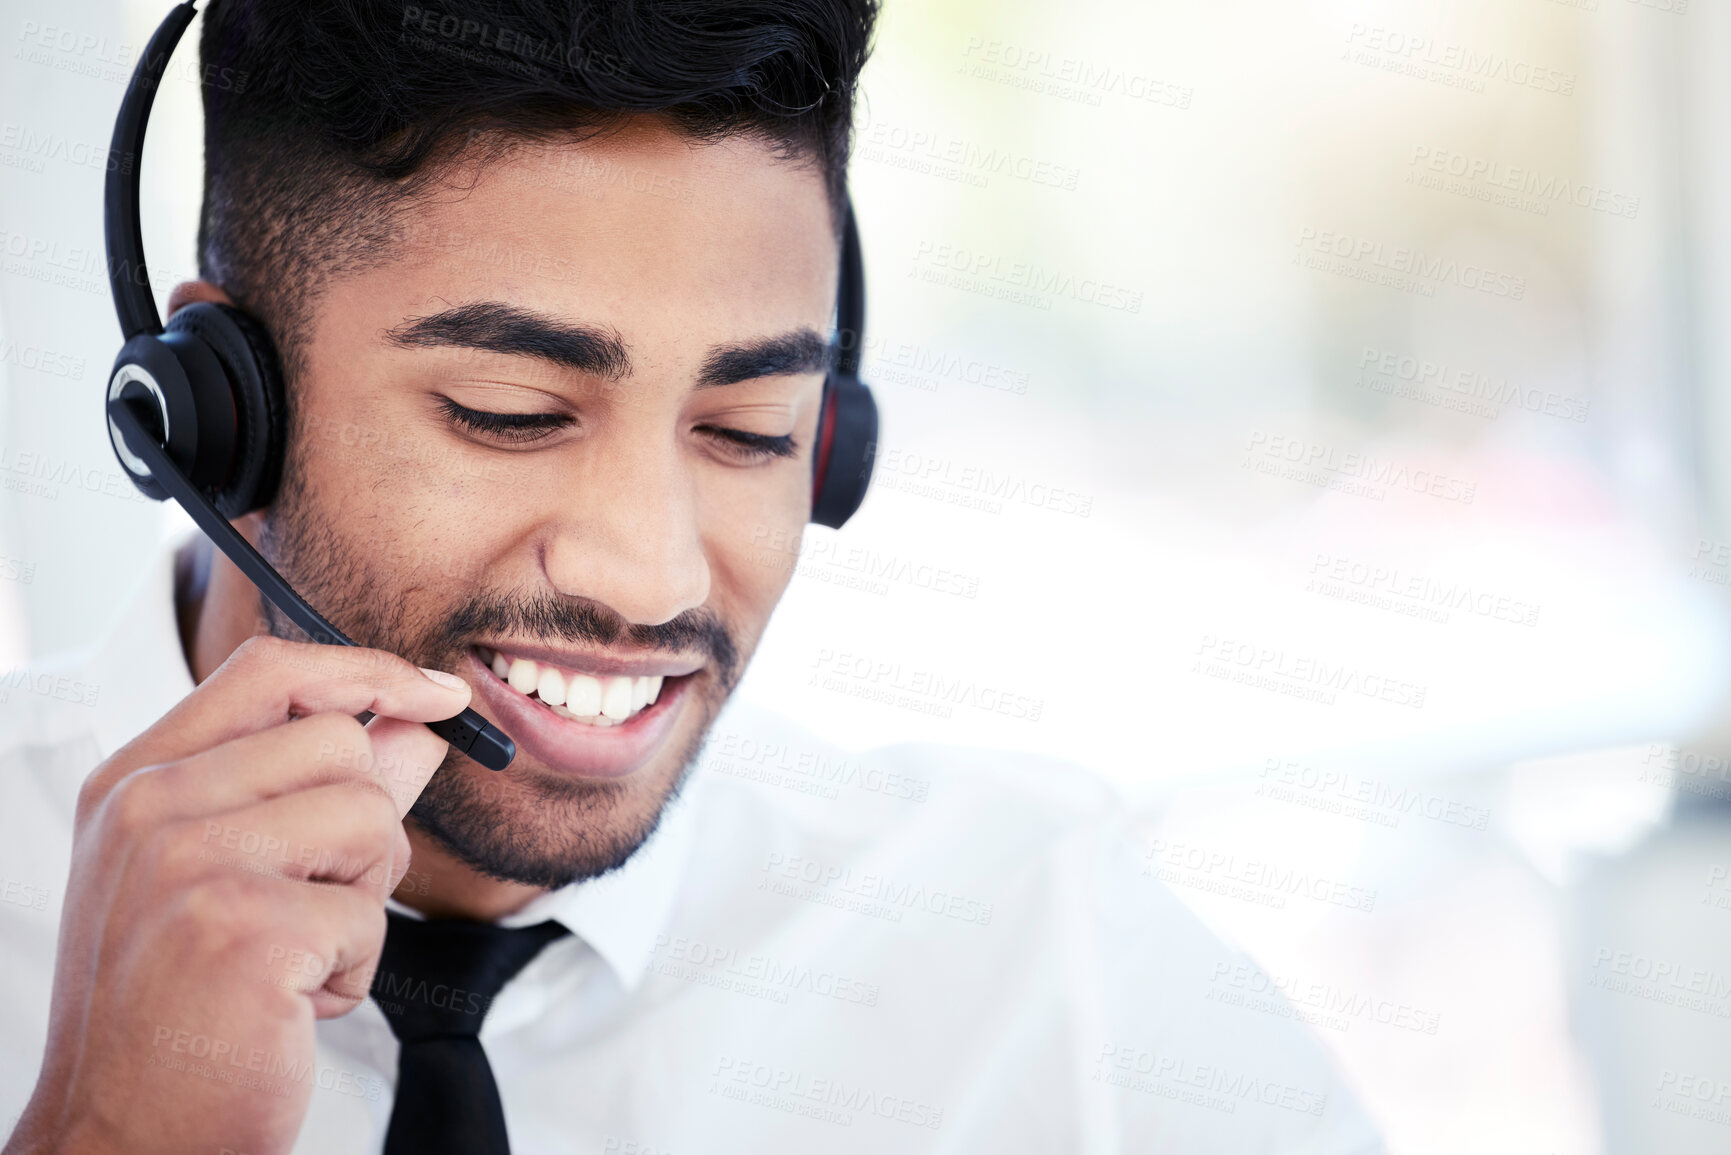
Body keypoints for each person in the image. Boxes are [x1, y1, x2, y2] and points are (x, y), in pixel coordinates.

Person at [0, 1, 1384, 1152]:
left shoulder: (1051, 959)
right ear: (209, 409)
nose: (650, 576)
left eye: (750, 432)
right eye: (509, 411)